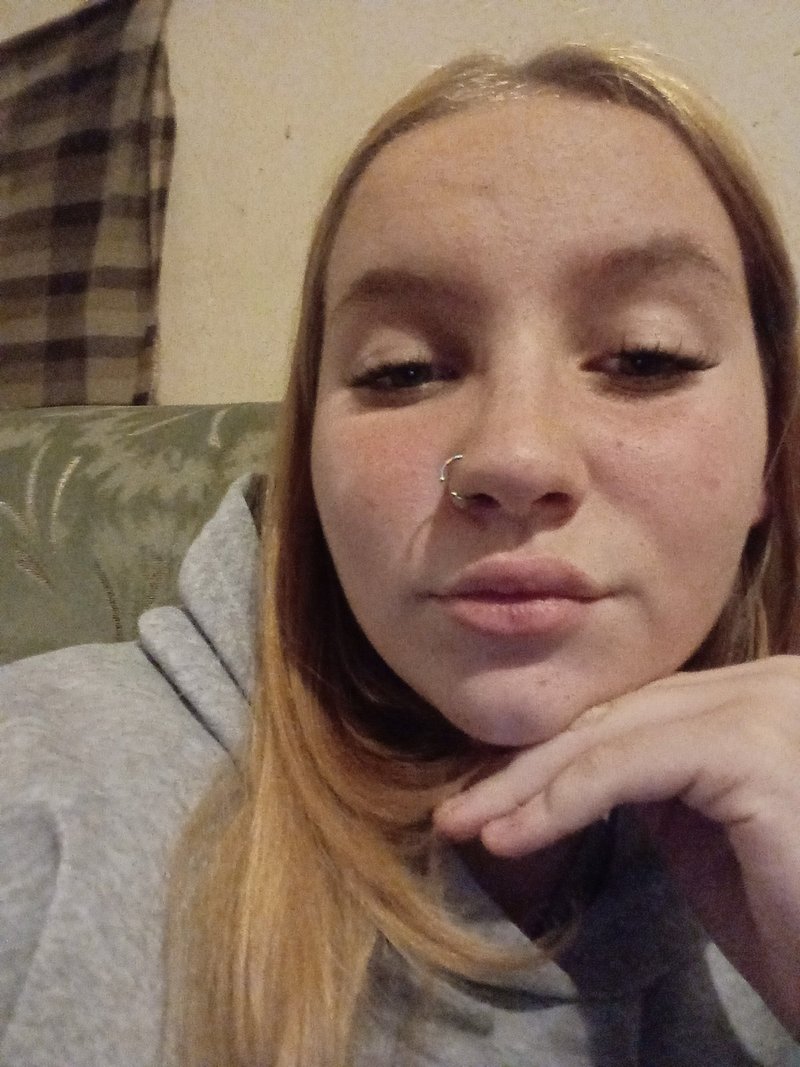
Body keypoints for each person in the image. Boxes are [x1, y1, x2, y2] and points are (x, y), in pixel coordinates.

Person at [1, 41, 799, 1067]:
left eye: (646, 356)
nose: (514, 456)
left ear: (771, 449)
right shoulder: (32, 788)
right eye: (403, 369)